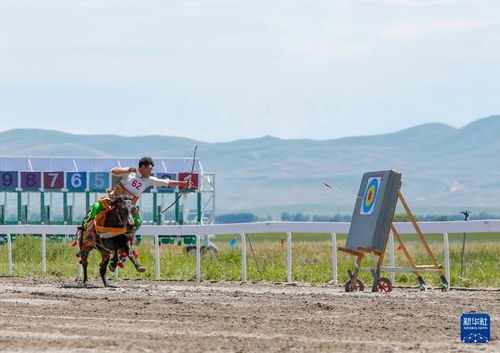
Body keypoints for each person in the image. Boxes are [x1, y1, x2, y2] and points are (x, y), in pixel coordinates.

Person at [81, 157, 190, 271]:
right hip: (114, 201)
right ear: (142, 167)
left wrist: (181, 183)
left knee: (138, 221)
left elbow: (166, 182)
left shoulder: (149, 179)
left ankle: (126, 241)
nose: (150, 171)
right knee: (96, 207)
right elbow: (113, 171)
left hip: (128, 207)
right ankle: (90, 233)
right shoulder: (130, 174)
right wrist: (128, 169)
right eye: (149, 169)